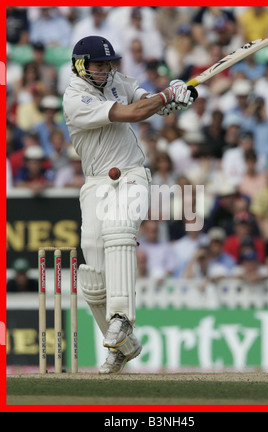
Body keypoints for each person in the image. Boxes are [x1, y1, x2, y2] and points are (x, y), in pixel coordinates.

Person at [62, 35, 195, 374]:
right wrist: (166, 96)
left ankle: (121, 318)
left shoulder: (117, 80)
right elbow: (133, 113)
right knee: (92, 271)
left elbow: (145, 101)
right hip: (95, 182)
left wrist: (172, 99)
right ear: (81, 66)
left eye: (108, 63)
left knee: (119, 231)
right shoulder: (75, 98)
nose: (106, 69)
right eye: (98, 64)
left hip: (131, 174)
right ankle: (122, 344)